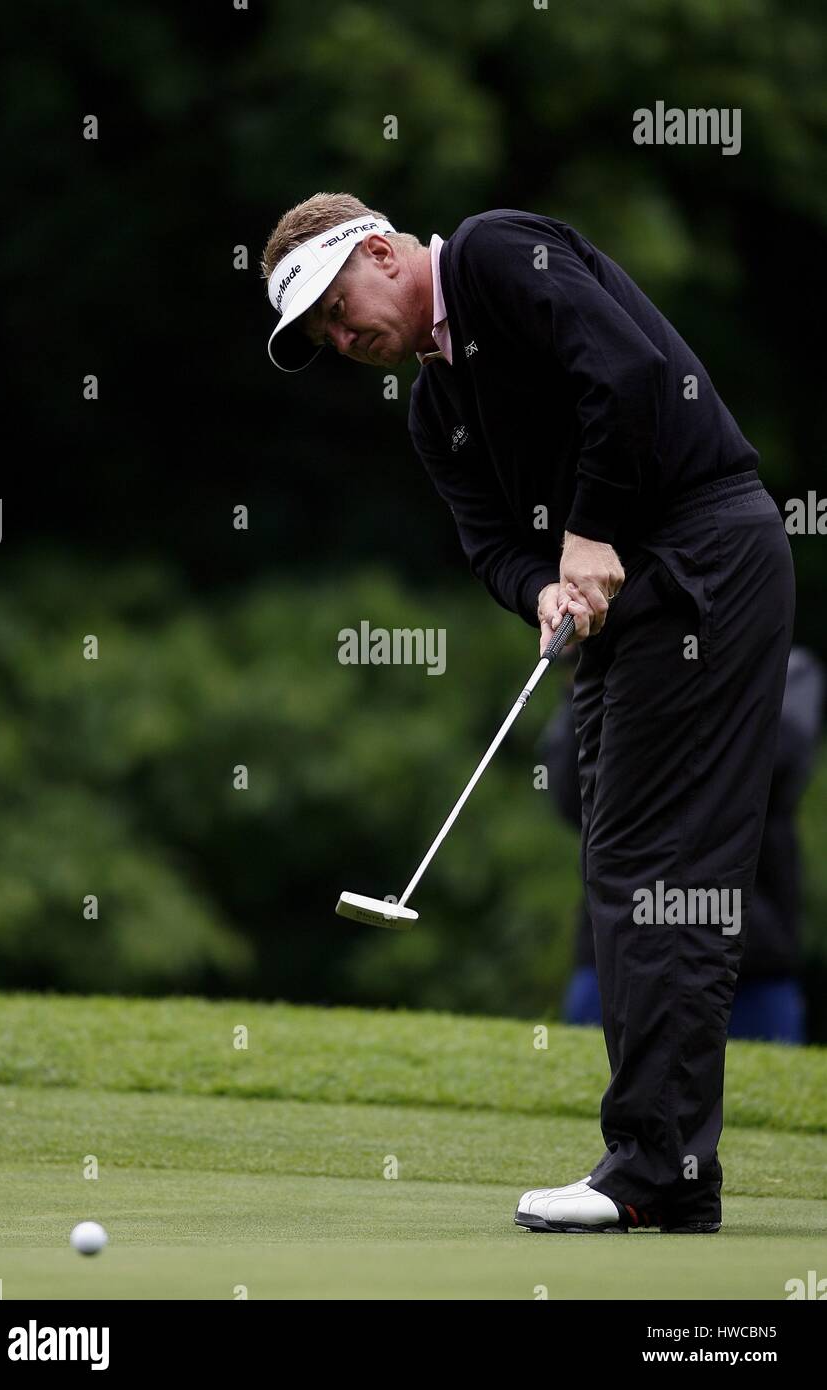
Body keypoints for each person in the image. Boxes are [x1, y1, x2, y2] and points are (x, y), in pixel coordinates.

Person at [262, 194, 796, 1234]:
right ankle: (659, 1163)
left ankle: (657, 1169)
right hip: (619, 602)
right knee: (620, 866)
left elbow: (629, 375)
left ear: (379, 251)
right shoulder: (433, 410)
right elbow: (489, 544)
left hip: (702, 560)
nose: (340, 338)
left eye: (336, 307)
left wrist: (590, 530)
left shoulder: (493, 254)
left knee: (657, 868)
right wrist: (539, 590)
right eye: (320, 335)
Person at [546, 647, 824, 1044]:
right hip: (617, 951)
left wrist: (657, 699)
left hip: (750, 961)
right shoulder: (612, 662)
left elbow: (774, 765)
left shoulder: (788, 664)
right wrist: (594, 667)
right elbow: (570, 798)